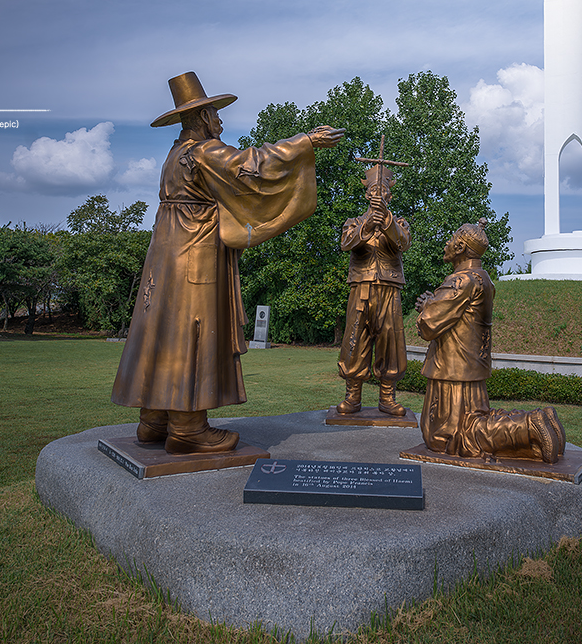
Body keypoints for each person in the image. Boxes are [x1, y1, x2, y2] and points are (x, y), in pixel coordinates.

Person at [111, 72, 344, 454]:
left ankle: (154, 419)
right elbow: (251, 165)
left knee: (164, 328)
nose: (220, 121)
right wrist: (305, 142)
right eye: (215, 114)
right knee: (193, 329)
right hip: (194, 256)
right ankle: (187, 427)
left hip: (166, 256)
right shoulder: (204, 151)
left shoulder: (175, 155)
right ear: (201, 118)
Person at [415, 221, 566, 463]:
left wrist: (425, 306)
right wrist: (433, 304)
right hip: (471, 367)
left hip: (452, 371)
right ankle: (539, 431)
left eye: (452, 239)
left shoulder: (461, 281)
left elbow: (430, 324)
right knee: (475, 419)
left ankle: (528, 426)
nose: (447, 243)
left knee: (449, 437)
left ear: (461, 247)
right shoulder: (484, 279)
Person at [335, 164, 411, 416]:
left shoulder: (398, 222)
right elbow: (347, 244)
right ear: (367, 193)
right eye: (374, 189)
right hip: (361, 287)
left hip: (389, 288)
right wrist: (367, 225)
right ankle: (353, 395)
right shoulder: (353, 222)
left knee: (391, 340)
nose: (379, 193)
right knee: (355, 339)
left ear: (390, 194)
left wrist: (386, 221)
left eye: (384, 189)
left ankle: (387, 396)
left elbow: (403, 243)